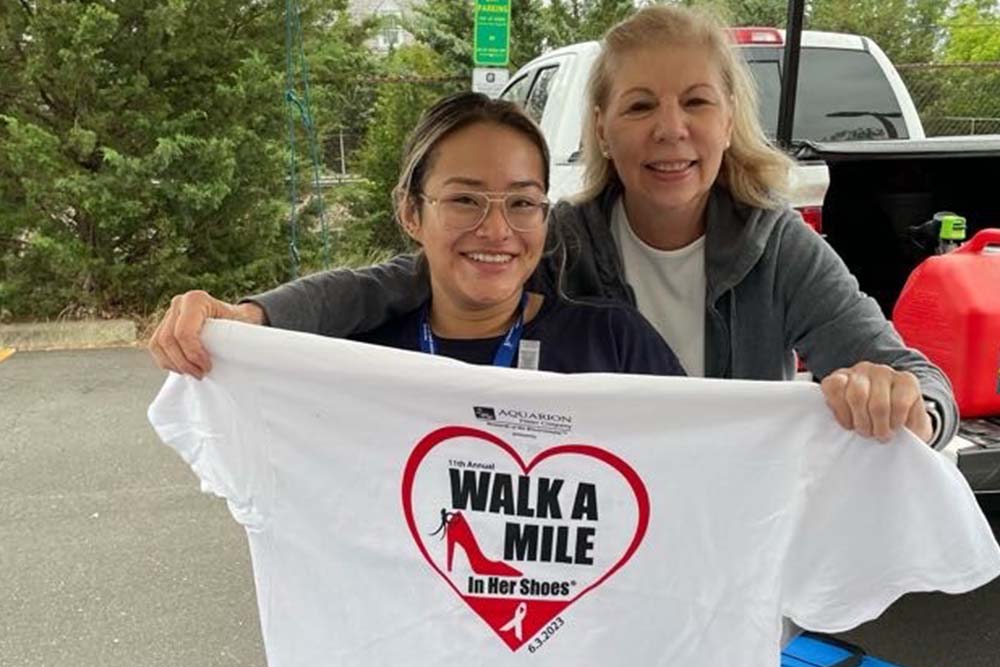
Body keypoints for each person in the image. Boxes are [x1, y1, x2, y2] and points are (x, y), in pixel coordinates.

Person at [150, 6, 956, 447]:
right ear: (603, 128)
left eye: (696, 103)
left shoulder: (781, 248)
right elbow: (394, 282)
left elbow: (924, 386)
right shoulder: (558, 236)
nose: (670, 130)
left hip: (721, 556)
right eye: (640, 105)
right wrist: (251, 318)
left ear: (728, 120)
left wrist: (905, 406)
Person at [150, 92, 684, 377]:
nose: (496, 229)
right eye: (464, 200)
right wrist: (234, 332)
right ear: (411, 213)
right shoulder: (347, 357)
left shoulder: (615, 345)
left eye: (522, 202)